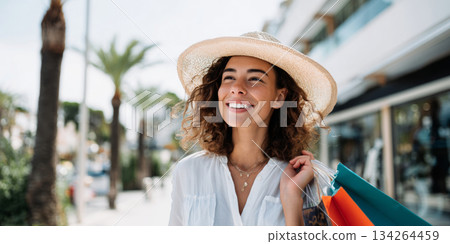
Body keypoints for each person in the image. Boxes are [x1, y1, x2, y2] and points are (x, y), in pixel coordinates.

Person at [169, 32, 337, 226]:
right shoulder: (188, 172)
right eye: (229, 77)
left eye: (255, 79)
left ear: (279, 98)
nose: (236, 88)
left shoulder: (307, 180)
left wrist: (292, 200)